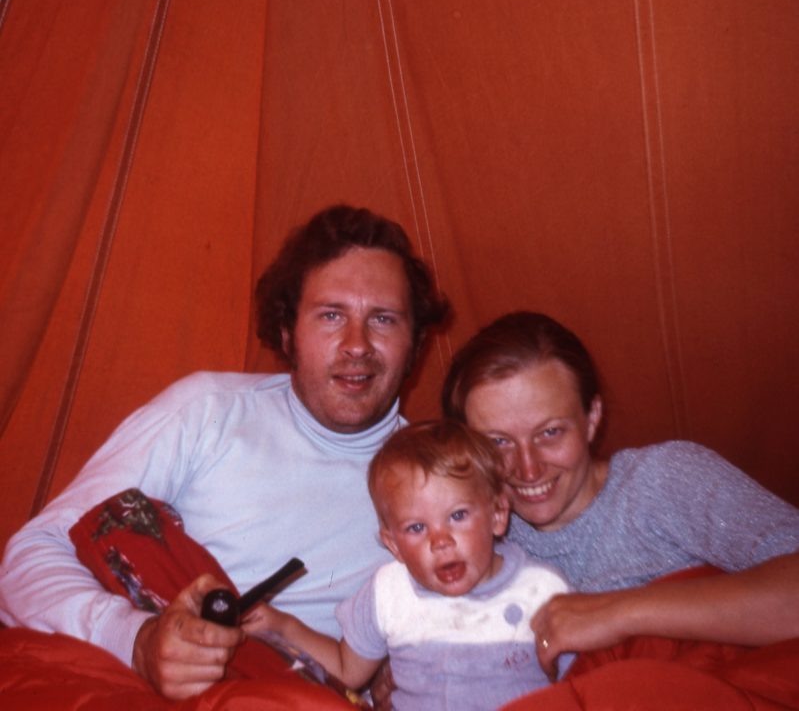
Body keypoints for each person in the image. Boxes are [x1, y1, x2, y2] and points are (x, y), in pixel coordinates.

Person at [0, 204, 449, 700]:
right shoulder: (207, 411)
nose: (357, 345)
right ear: (286, 333)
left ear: (417, 343)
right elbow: (30, 556)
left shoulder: (444, 482)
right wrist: (136, 639)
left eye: (383, 319)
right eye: (331, 316)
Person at [441, 310, 799, 678]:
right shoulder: (466, 535)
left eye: (550, 433)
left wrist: (618, 612)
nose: (528, 468)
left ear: (592, 417)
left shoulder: (663, 482)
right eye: (498, 442)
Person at [244, 419, 573, 710]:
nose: (440, 541)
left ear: (498, 515)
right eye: (416, 528)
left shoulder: (542, 591)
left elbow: (578, 685)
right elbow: (346, 670)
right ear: (393, 545)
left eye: (457, 516)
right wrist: (283, 626)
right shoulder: (388, 593)